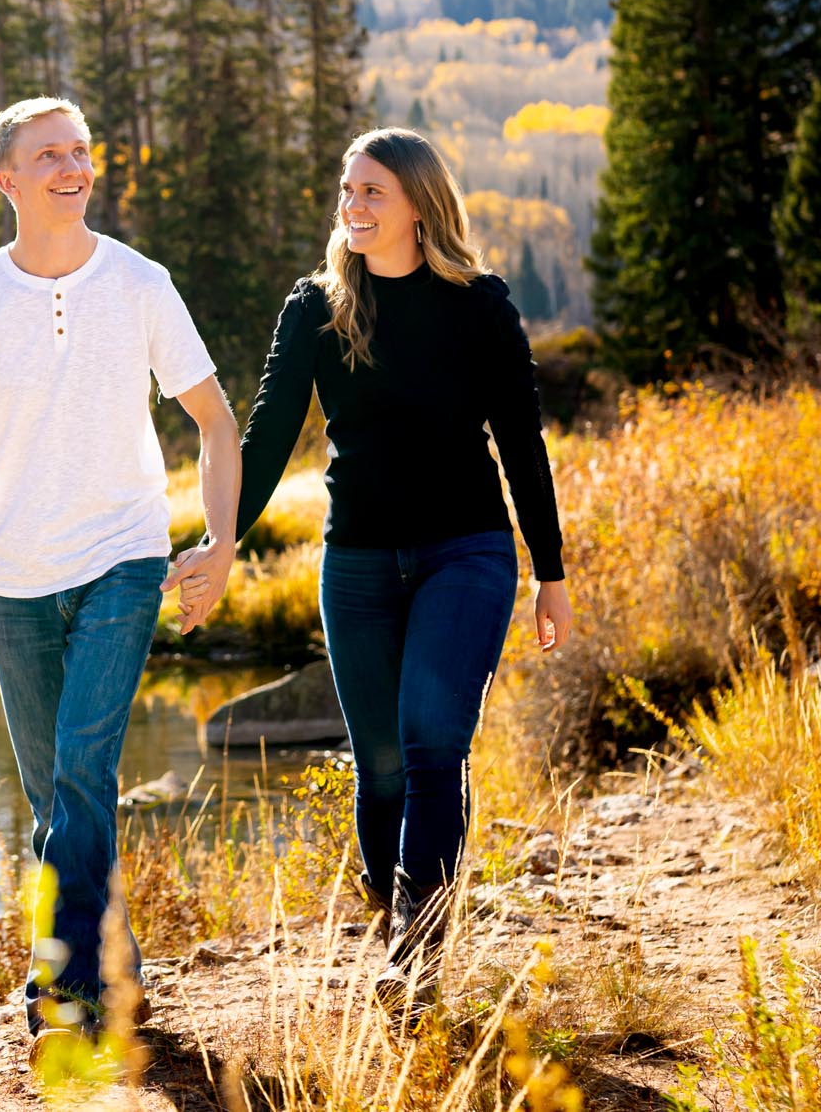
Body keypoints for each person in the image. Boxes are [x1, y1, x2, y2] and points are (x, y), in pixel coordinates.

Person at [205, 126, 572, 1008]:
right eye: (346, 191)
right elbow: (263, 442)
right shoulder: (317, 308)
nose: (352, 206)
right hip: (359, 562)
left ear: (419, 204)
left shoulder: (480, 305)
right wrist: (221, 541)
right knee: (382, 768)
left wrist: (549, 571)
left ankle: (416, 958)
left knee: (432, 742)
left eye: (371, 191)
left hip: (466, 552)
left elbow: (522, 443)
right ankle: (397, 914)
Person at [0, 96, 240, 1045]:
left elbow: (218, 423)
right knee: (57, 795)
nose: (73, 166)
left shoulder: (141, 284)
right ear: (6, 179)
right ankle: (115, 970)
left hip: (124, 553)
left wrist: (218, 541)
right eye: (49, 154)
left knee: (80, 770)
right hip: (12, 573)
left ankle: (61, 998)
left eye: (81, 151)